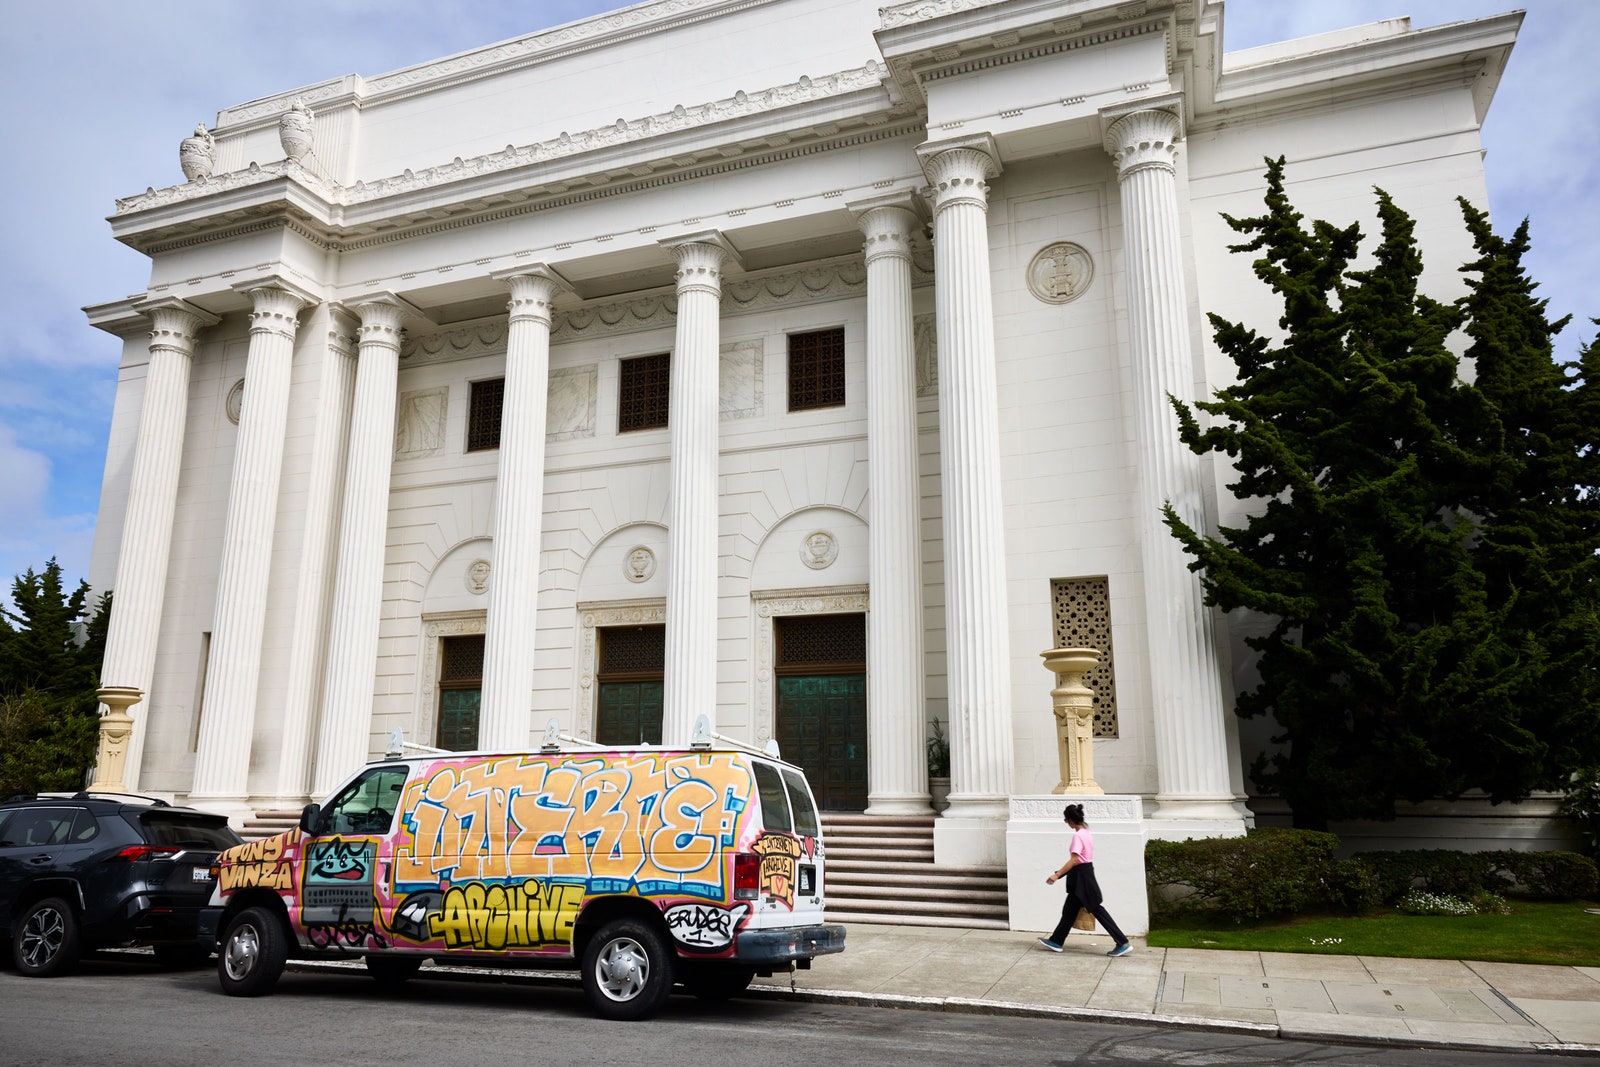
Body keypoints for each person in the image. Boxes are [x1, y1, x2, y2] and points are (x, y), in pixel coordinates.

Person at [1037, 803, 1132, 957]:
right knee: (1069, 911)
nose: (1067, 824)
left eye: (1066, 821)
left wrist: (1057, 875)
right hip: (1083, 875)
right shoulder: (1086, 833)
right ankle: (1056, 941)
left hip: (1082, 877)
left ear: (1070, 820)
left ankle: (1122, 942)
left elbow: (1074, 860)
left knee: (1097, 909)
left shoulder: (1078, 835)